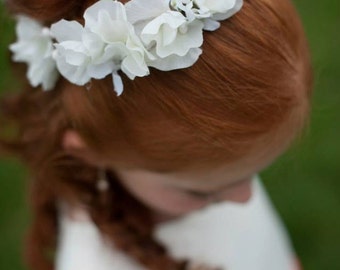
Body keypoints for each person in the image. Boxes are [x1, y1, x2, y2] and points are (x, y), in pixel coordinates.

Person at [1, 0, 312, 269]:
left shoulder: (211, 170)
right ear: (92, 152)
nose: (246, 198)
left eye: (254, 172)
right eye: (200, 193)